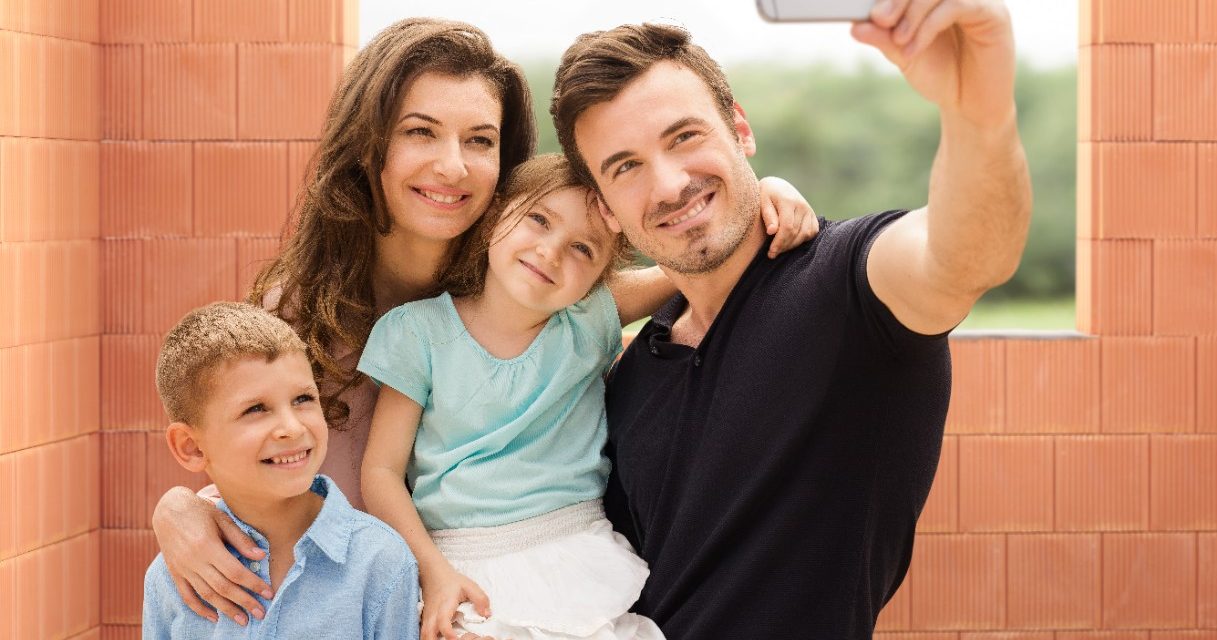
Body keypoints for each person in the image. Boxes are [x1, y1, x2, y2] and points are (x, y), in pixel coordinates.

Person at [148, 17, 818, 630]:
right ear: (368, 145)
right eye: (420, 132)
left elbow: (680, 263)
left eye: (480, 141)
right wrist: (183, 508)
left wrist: (760, 194)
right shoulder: (298, 314)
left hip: (536, 589)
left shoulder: (535, 294)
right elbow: (262, 460)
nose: (452, 165)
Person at [548, 1, 1032, 637]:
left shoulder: (849, 289)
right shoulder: (629, 375)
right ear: (606, 208)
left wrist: (981, 113)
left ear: (740, 131)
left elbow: (965, 254)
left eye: (684, 137)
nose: (668, 185)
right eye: (626, 167)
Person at [361, 153, 674, 640]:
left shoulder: (589, 321)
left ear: (599, 278)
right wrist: (432, 571)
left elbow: (693, 261)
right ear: (493, 219)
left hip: (576, 551)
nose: (550, 252)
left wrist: (767, 194)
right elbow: (380, 471)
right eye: (538, 219)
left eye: (583, 249)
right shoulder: (418, 333)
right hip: (457, 561)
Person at [143, 302, 419, 639]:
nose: (291, 427)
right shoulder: (173, 577)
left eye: (303, 399)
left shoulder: (380, 561)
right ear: (192, 447)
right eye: (256, 409)